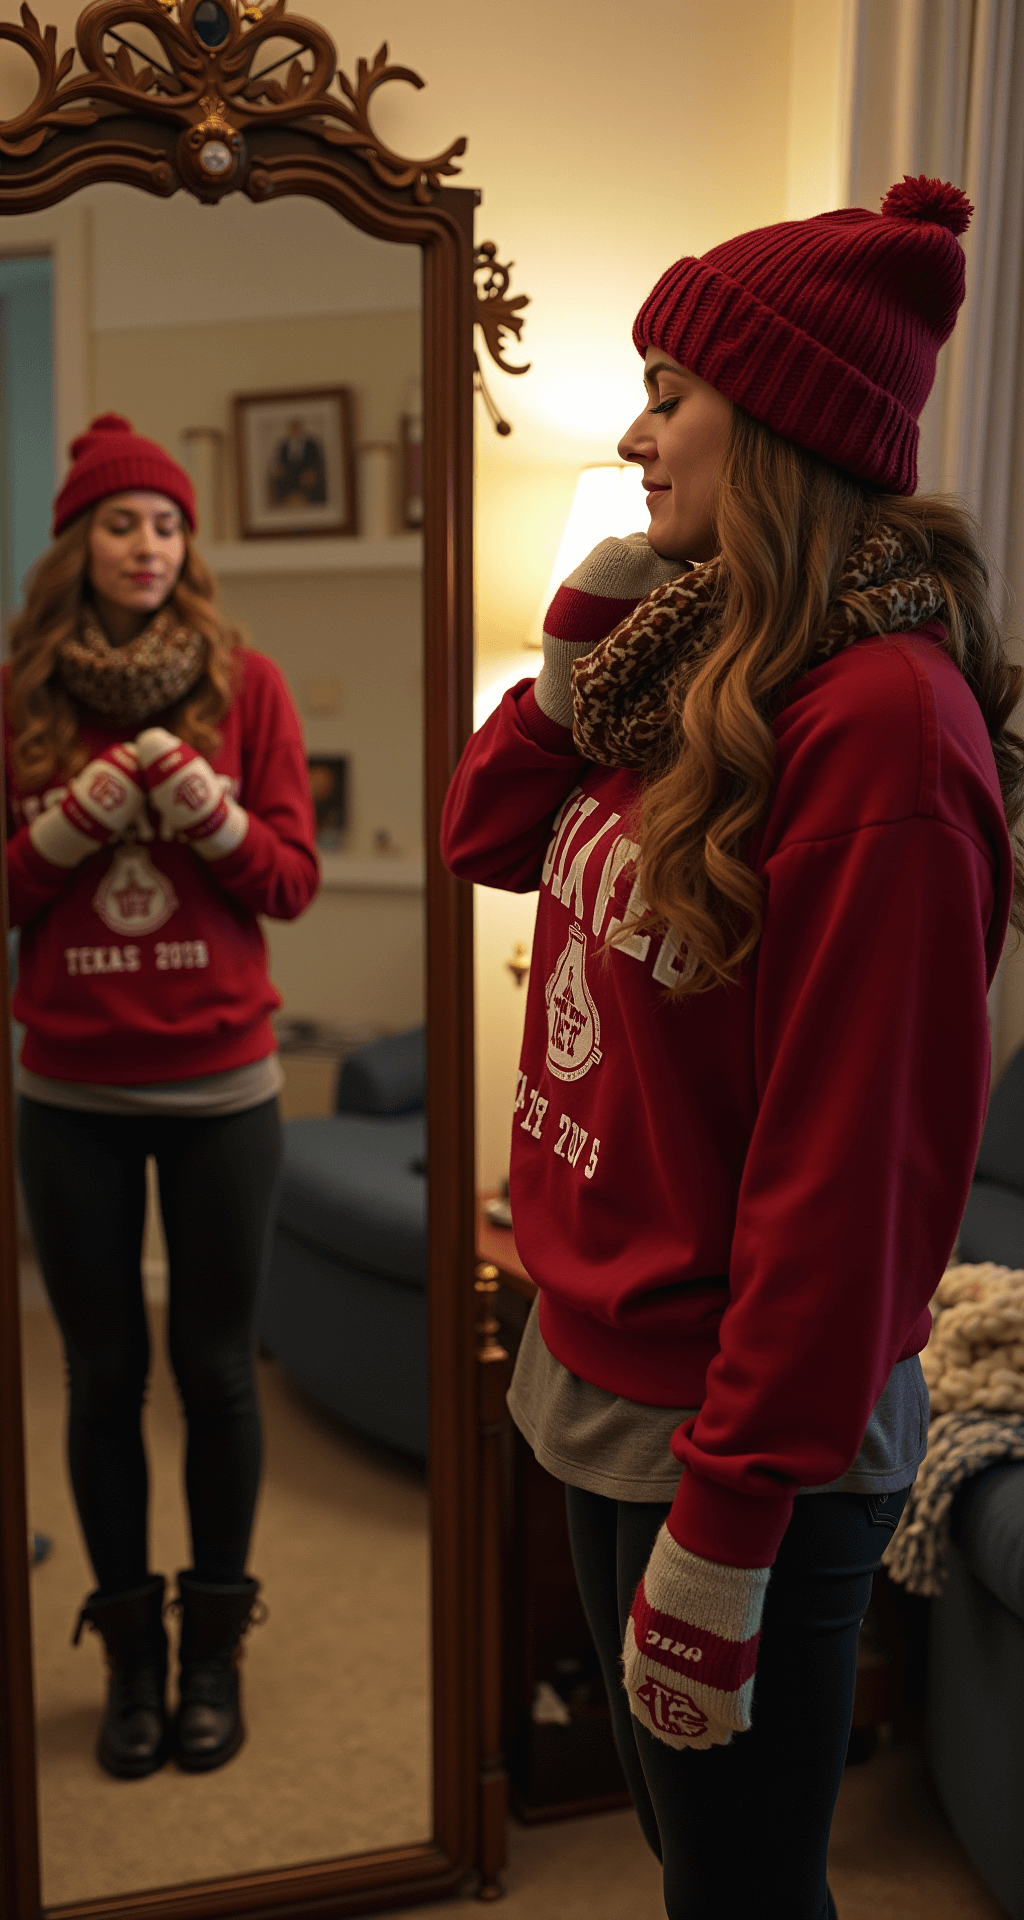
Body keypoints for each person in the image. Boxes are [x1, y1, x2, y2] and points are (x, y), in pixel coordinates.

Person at [441, 177, 1022, 1918]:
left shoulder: (887, 731)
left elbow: (853, 1186)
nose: (633, 434)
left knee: (741, 1893)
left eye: (669, 393)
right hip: (603, 1369)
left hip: (736, 1426)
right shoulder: (696, 649)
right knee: (686, 1858)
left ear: (771, 423)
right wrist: (579, 648)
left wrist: (730, 1524)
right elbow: (486, 837)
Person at [4, 413, 319, 1780]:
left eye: (168, 524)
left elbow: (289, 883)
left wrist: (208, 811)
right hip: (69, 1090)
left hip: (221, 1090)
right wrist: (68, 823)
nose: (148, 545)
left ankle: (213, 1656)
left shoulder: (250, 687)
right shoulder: (21, 695)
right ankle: (130, 1657)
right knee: (101, 1377)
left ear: (190, 545)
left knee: (217, 1372)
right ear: (80, 543)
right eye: (122, 523)